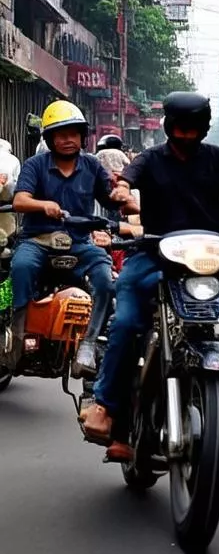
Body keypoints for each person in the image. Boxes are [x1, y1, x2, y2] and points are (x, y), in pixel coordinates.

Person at [81, 92, 219, 456]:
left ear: (204, 128)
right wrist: (121, 189)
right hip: (152, 255)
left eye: (193, 129)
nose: (186, 136)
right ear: (169, 127)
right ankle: (105, 406)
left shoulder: (216, 157)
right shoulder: (149, 159)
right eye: (181, 128)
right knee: (127, 322)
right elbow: (126, 181)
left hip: (202, 261)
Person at [1, 101, 126, 374]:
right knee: (20, 267)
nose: (67, 140)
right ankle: (18, 335)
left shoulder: (92, 166)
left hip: (79, 243)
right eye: (60, 134)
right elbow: (21, 200)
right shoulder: (35, 165)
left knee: (106, 279)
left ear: (82, 137)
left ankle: (89, 345)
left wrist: (124, 194)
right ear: (50, 139)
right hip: (37, 240)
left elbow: (111, 201)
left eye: (73, 133)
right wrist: (43, 205)